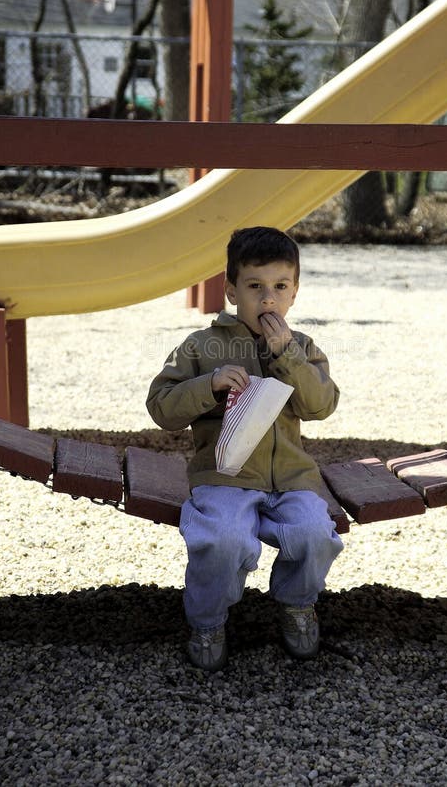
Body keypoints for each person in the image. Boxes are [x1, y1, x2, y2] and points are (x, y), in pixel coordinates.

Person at [146, 226, 343, 671]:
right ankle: (208, 622)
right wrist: (208, 385)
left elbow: (320, 407)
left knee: (315, 534)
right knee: (222, 539)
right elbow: (161, 407)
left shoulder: (304, 348)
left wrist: (287, 355)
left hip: (291, 478)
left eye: (279, 287)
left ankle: (297, 604)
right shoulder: (201, 346)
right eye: (255, 288)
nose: (267, 300)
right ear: (232, 291)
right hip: (224, 477)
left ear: (294, 293)